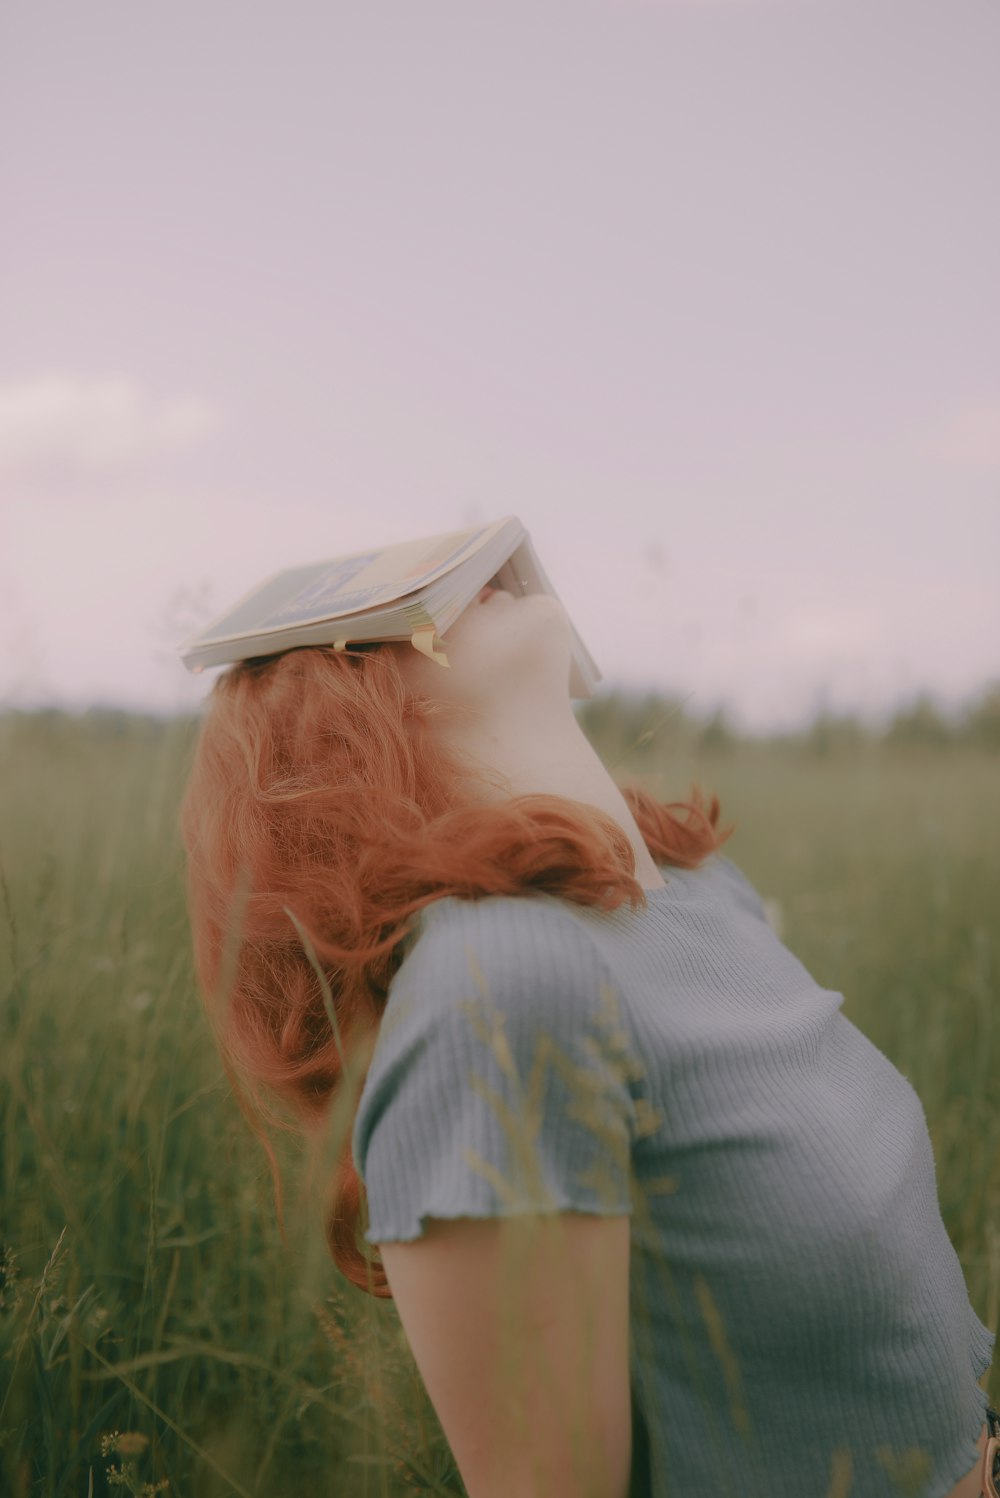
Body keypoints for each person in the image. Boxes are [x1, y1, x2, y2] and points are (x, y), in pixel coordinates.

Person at [179, 580, 996, 1498]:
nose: (474, 570)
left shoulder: (700, 888)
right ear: (346, 715)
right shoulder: (500, 982)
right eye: (405, 595)